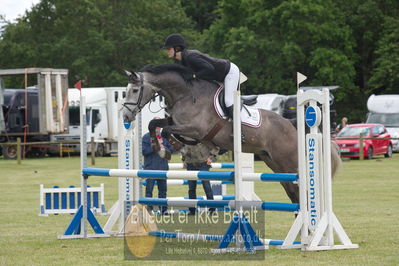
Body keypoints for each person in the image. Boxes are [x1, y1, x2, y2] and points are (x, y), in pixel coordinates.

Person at [162, 33, 240, 119]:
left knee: (228, 101)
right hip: (219, 76)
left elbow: (209, 69)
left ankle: (240, 128)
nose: (167, 51)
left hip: (229, 72)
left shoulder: (191, 57)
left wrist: (194, 76)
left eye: (169, 48)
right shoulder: (182, 61)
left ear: (177, 48)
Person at [142, 125, 173, 215]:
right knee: (149, 190)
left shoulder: (163, 137)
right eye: (155, 127)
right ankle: (149, 209)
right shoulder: (146, 137)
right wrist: (155, 146)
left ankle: (163, 210)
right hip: (150, 168)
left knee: (163, 191)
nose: (157, 129)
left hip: (162, 168)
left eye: (159, 128)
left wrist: (162, 145)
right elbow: (144, 151)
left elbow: (170, 151)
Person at [181, 143, 217, 215]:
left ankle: (212, 210)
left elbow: (215, 147)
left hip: (203, 163)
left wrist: (211, 157)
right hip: (190, 164)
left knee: (206, 186)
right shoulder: (186, 135)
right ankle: (192, 210)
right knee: (191, 188)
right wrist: (184, 159)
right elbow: (183, 148)